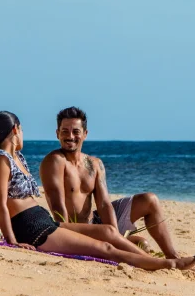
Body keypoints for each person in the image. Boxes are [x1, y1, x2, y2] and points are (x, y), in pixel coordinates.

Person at [0, 110, 195, 271]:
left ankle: (158, 261)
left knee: (109, 234)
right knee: (105, 247)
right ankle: (167, 265)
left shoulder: (16, 157)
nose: (70, 136)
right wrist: (10, 242)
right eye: (22, 130)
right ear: (16, 129)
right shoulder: (1, 161)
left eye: (75, 131)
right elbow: (0, 203)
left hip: (40, 220)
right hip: (31, 228)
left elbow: (1, 199)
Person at [39, 106, 183, 259]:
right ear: (57, 134)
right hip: (75, 229)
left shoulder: (95, 164)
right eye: (65, 131)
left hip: (96, 223)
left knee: (150, 201)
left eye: (76, 131)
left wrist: (114, 235)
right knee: (140, 246)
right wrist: (69, 241)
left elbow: (104, 204)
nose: (70, 136)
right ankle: (150, 260)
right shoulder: (55, 161)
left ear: (85, 134)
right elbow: (57, 207)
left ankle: (172, 256)